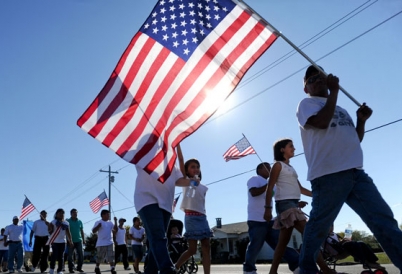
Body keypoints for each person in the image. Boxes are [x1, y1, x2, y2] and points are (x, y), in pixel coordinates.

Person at [296, 65, 402, 273]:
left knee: (384, 220)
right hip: (328, 176)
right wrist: (334, 91)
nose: (316, 80)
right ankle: (306, 269)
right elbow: (321, 122)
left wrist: (361, 121)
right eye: (311, 79)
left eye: (320, 76)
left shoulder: (341, 110)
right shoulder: (306, 104)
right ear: (306, 88)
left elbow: (355, 140)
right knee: (318, 227)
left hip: (356, 173)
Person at [264, 139, 332, 274]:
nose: (294, 149)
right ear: (282, 149)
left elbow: (300, 188)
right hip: (285, 205)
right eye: (291, 146)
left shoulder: (291, 168)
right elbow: (270, 187)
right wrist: (267, 208)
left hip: (293, 204)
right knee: (309, 234)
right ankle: (325, 269)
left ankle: (272, 271)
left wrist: (317, 195)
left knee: (282, 244)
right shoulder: (277, 165)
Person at [134, 144, 189, 274]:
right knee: (159, 237)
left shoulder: (171, 164)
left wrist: (194, 182)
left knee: (156, 240)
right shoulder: (143, 154)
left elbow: (182, 180)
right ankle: (167, 270)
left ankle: (150, 271)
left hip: (166, 205)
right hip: (147, 200)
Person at [243, 162, 299, 274]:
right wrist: (269, 184)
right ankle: (249, 270)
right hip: (256, 219)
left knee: (280, 244)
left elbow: (280, 198)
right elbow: (254, 192)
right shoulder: (255, 178)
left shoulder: (272, 183)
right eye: (267, 167)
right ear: (259, 170)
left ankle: (297, 265)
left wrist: (296, 204)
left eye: (271, 167)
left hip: (270, 220)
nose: (270, 169)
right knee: (255, 245)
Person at [173, 150, 213, 274]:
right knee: (192, 249)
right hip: (191, 218)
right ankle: (176, 267)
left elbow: (201, 204)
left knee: (206, 247)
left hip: (202, 218)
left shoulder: (204, 187)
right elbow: (180, 160)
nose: (195, 169)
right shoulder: (186, 181)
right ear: (186, 170)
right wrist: (178, 146)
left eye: (197, 167)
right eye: (192, 167)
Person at [48, 209, 73, 274]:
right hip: (55, 241)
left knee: (61, 256)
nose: (61, 214)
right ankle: (52, 269)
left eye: (62, 213)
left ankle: (59, 270)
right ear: (56, 214)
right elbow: (50, 231)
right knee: (54, 255)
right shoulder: (53, 222)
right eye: (60, 213)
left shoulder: (66, 223)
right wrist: (49, 228)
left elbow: (68, 232)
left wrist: (70, 241)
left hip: (63, 242)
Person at [92, 210, 117, 274]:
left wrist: (116, 221)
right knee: (100, 257)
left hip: (110, 242)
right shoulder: (98, 222)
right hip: (101, 243)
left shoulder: (110, 222)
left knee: (111, 256)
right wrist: (98, 226)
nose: (108, 216)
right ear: (102, 215)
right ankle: (97, 267)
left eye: (108, 214)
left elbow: (115, 230)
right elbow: (93, 231)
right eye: (107, 214)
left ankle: (112, 268)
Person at [66, 209, 85, 273]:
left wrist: (84, 239)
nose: (75, 214)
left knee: (81, 254)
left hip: (79, 240)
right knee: (70, 255)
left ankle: (79, 268)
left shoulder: (80, 221)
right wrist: (68, 240)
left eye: (76, 213)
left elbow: (82, 231)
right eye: (74, 213)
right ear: (71, 214)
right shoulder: (68, 221)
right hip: (70, 241)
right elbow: (66, 231)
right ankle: (71, 268)